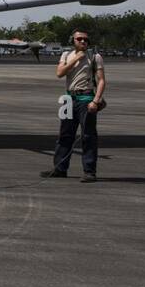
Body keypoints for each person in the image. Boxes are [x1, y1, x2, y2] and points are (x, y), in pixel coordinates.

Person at [42, 30, 105, 182]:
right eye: (79, 39)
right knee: (65, 135)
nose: (83, 42)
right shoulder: (66, 55)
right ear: (73, 41)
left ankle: (89, 171)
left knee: (88, 136)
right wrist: (76, 58)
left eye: (86, 40)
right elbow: (59, 73)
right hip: (69, 99)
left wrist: (95, 101)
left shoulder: (95, 57)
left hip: (86, 98)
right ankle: (59, 169)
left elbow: (101, 80)